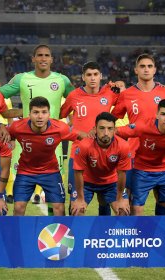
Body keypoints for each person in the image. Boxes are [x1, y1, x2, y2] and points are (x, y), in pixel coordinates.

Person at [0, 44, 74, 209]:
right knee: (20, 202)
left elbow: (76, 100)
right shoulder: (22, 79)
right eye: (39, 55)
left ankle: (53, 228)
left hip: (53, 139)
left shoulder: (62, 80)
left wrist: (72, 119)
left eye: (46, 55)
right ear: (33, 59)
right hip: (26, 138)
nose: (43, 58)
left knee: (53, 199)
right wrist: (8, 114)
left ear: (52, 59)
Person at [111, 53, 165, 215]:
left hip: (161, 154)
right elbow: (112, 118)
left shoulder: (164, 92)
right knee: (131, 201)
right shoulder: (127, 94)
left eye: (150, 66)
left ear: (155, 70)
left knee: (164, 200)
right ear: (136, 70)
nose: (146, 69)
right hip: (134, 155)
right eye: (142, 66)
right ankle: (133, 234)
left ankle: (161, 235)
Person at [60, 61, 120, 215]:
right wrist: (74, 131)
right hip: (79, 154)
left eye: (95, 74)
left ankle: (103, 234)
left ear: (101, 76)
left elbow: (122, 100)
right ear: (83, 77)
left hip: (104, 155)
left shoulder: (110, 93)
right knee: (76, 205)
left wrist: (119, 87)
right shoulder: (74, 96)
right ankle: (73, 235)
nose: (92, 78)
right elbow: (60, 115)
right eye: (89, 75)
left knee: (105, 199)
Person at [8, 97, 85, 216]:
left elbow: (79, 135)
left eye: (44, 112)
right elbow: (7, 131)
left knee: (59, 208)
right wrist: (11, 139)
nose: (40, 116)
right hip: (25, 172)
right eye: (36, 112)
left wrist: (95, 141)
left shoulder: (60, 128)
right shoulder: (17, 127)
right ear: (29, 114)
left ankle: (60, 234)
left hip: (51, 172)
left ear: (49, 114)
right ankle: (17, 234)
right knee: (18, 207)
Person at [71, 112, 131, 216]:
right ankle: (79, 232)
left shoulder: (123, 146)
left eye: (110, 128)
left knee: (123, 211)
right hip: (87, 182)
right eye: (102, 128)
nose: (106, 132)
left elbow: (122, 174)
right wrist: (80, 199)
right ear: (95, 129)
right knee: (77, 211)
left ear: (114, 130)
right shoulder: (84, 145)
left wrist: (120, 198)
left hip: (111, 182)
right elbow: (78, 173)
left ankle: (110, 231)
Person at [0, 75, 15, 204]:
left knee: (6, 163)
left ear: (0, 84)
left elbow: (10, 119)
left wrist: (12, 137)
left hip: (4, 132)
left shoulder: (5, 99)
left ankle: (9, 193)